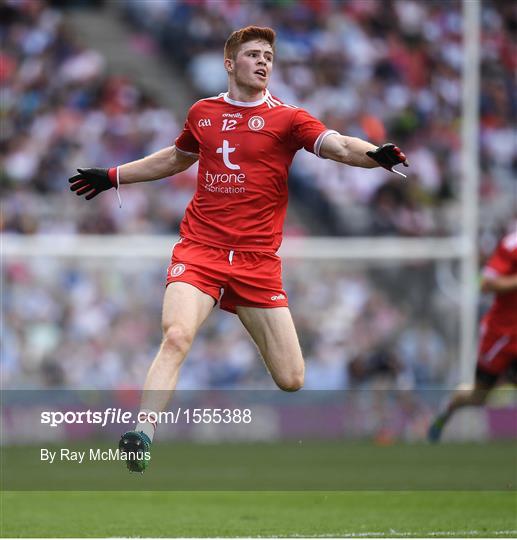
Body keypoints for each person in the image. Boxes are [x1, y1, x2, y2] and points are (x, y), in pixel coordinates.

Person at [68, 26, 409, 472]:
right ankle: (141, 434)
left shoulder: (289, 118)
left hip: (257, 264)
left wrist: (374, 155)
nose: (264, 61)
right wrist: (114, 175)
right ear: (230, 64)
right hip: (201, 250)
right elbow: (176, 158)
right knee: (177, 335)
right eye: (253, 54)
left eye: (268, 54)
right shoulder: (203, 113)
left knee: (292, 378)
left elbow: (340, 145)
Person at [428, 229, 517, 442]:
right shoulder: (512, 244)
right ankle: (448, 408)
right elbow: (487, 283)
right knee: (478, 395)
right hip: (501, 333)